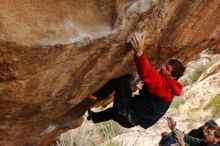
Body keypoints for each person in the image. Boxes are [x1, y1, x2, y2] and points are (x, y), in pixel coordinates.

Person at [87, 34, 185, 129]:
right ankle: (93, 117)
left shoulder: (165, 90)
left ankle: (95, 96)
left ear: (173, 76)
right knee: (113, 112)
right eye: (165, 64)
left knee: (123, 79)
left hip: (125, 115)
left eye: (167, 68)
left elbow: (149, 74)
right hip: (129, 120)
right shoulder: (169, 88)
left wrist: (139, 53)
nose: (163, 67)